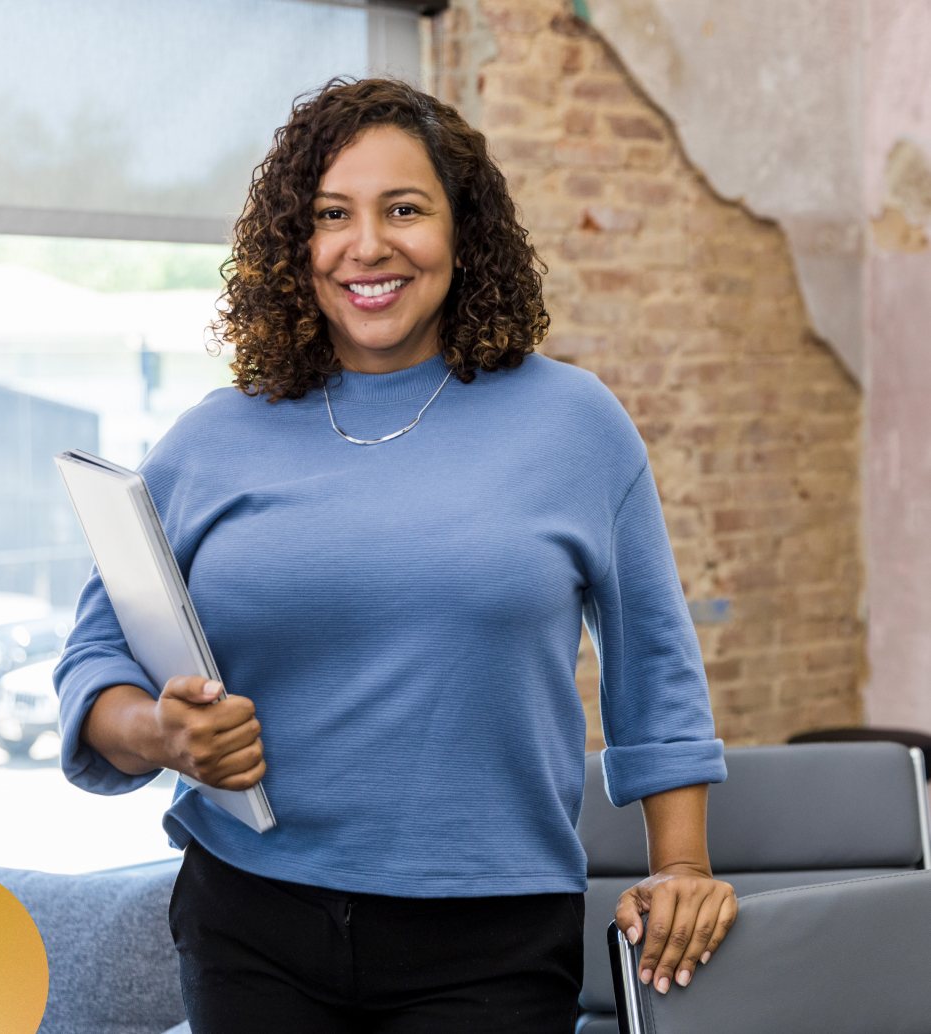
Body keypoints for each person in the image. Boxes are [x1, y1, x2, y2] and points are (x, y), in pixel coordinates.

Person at [53, 78, 736, 1034]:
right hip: (248, 922)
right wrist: (164, 738)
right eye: (332, 214)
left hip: (489, 942)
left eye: (403, 210)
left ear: (465, 232)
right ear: (298, 245)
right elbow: (97, 661)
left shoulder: (577, 426)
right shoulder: (211, 439)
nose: (366, 246)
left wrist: (684, 868)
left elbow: (654, 671)